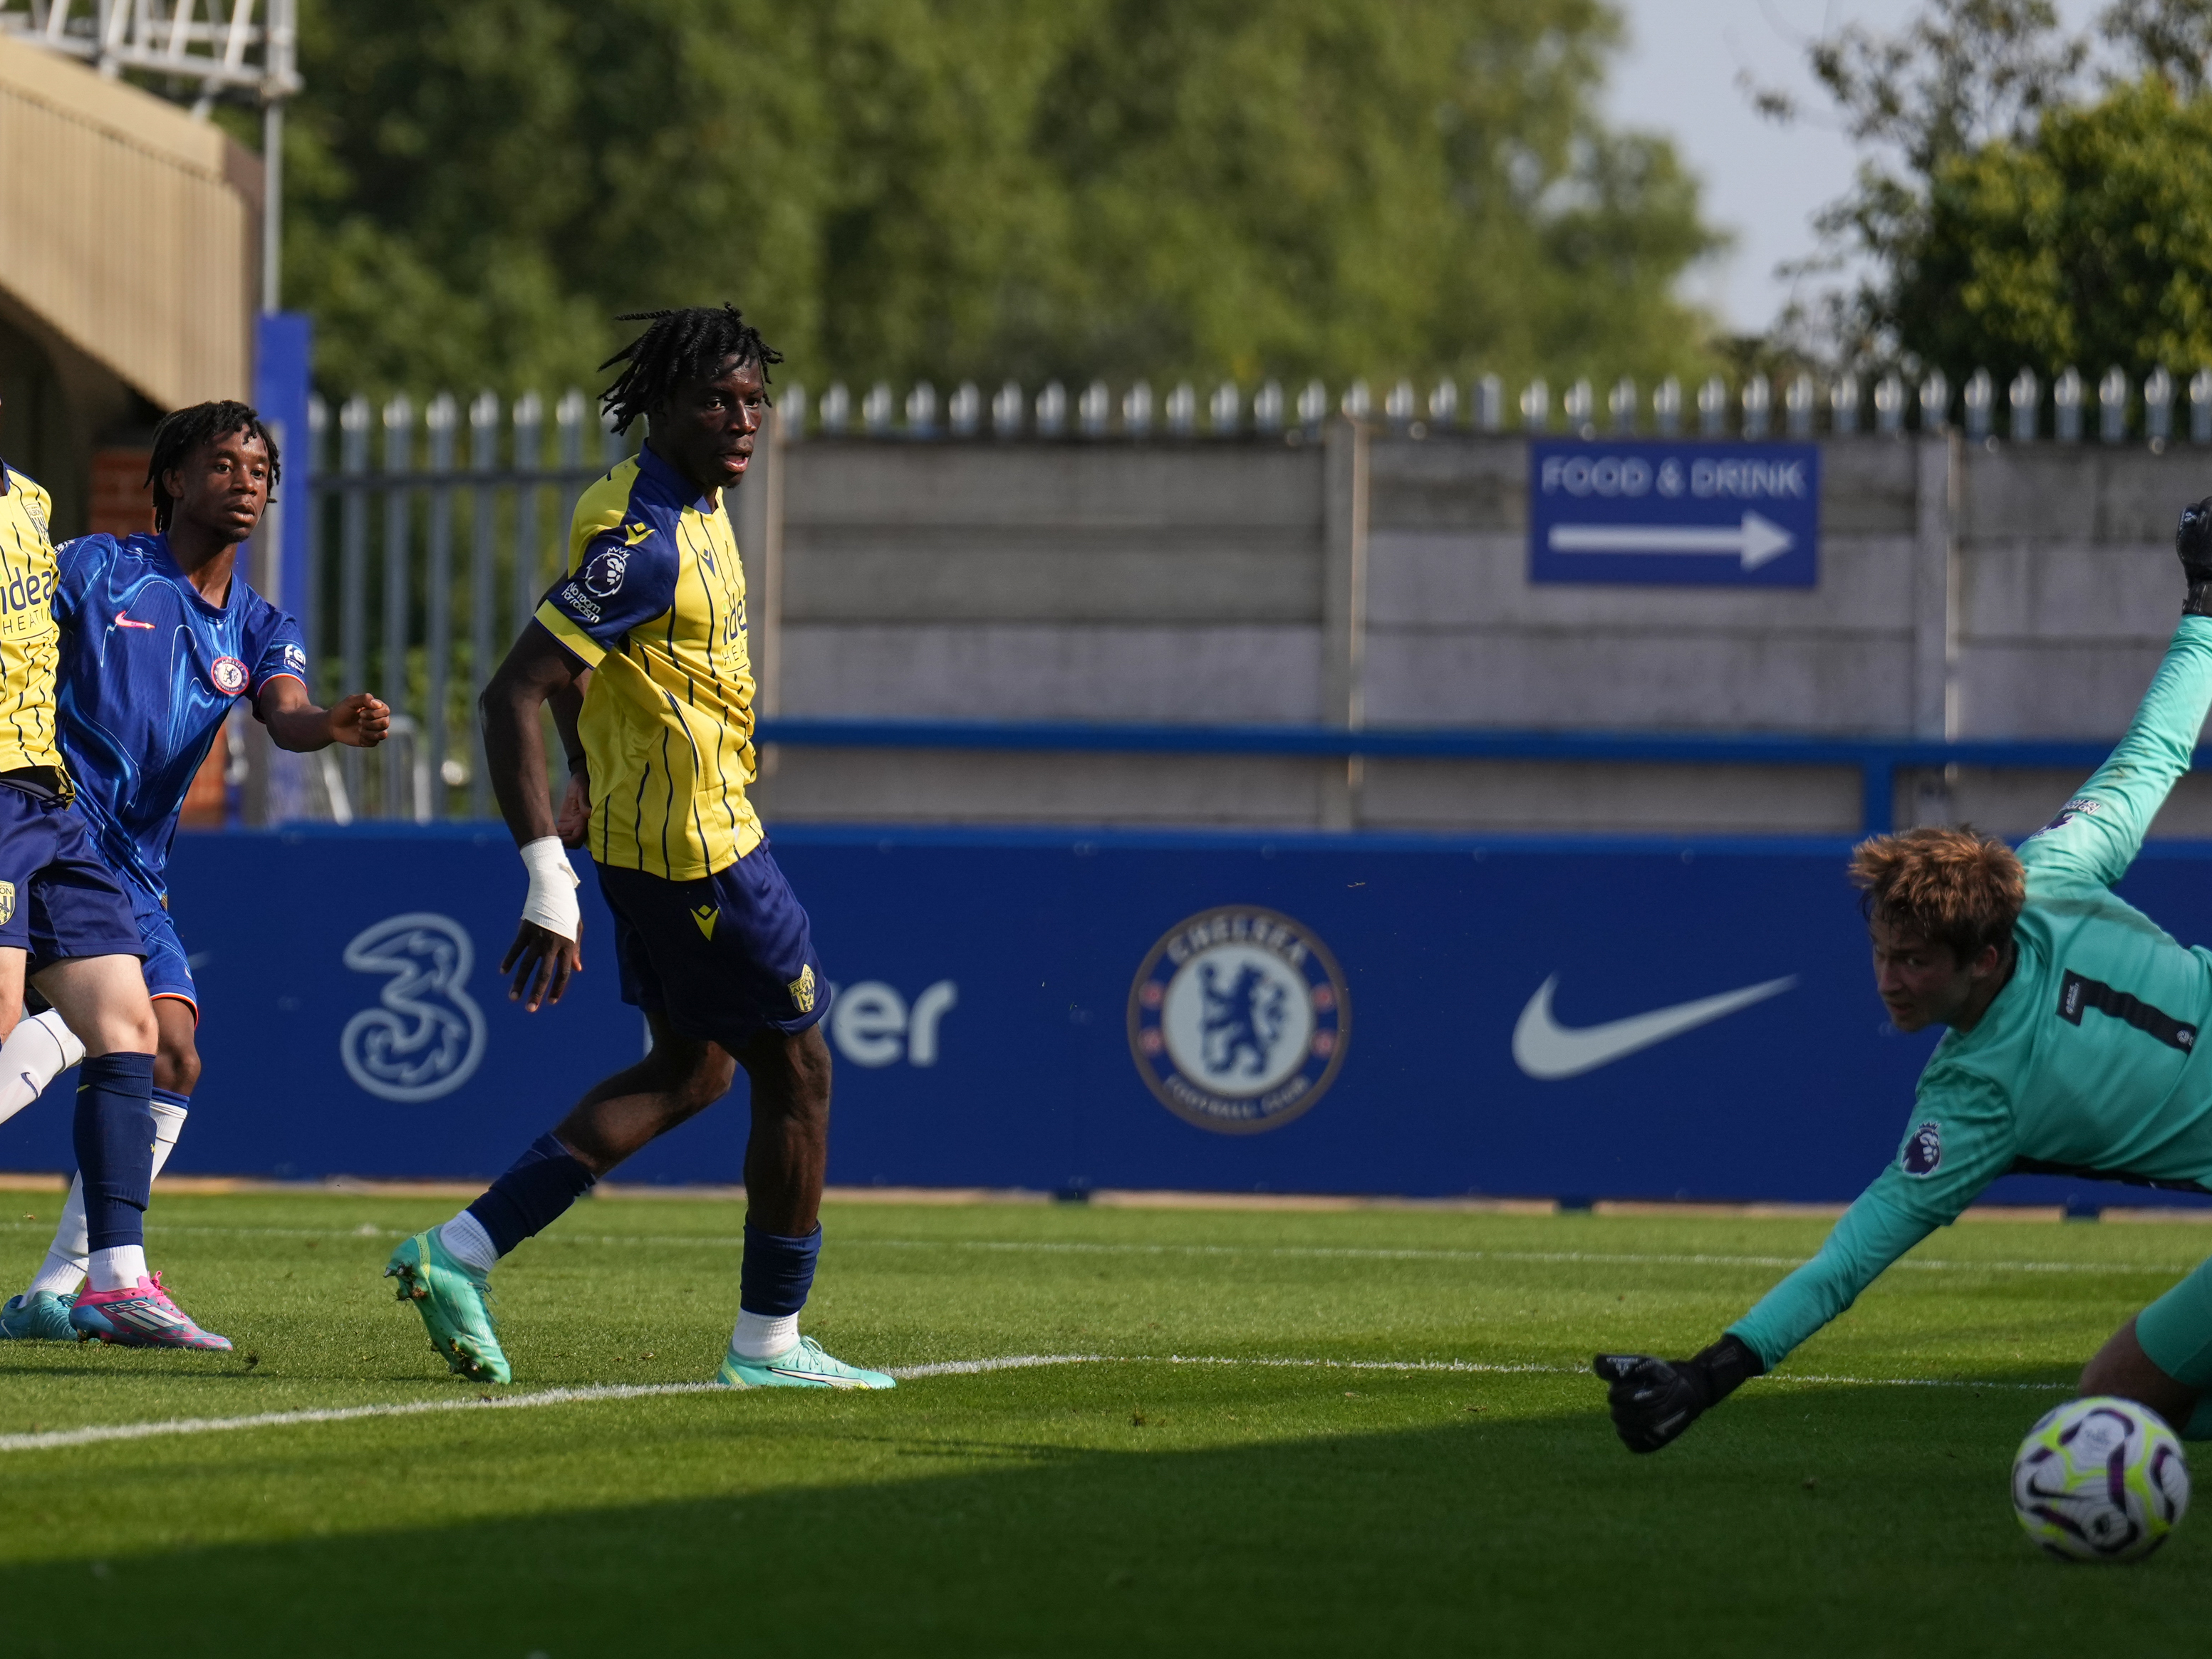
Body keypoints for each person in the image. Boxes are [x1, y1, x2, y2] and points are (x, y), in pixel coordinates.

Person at [1598, 495, 2212, 1453]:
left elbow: (1854, 1256)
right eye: (1882, 952)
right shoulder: (2054, 871)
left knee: (2114, 1401)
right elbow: (2154, 752)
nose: (1888, 980)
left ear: (1986, 957)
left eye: (1915, 961)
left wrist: (1707, 1378)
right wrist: (2207, 606)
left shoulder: (1977, 1097)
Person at [385, 304, 891, 1391]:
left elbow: (585, 675)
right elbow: (513, 688)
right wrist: (545, 878)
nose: (743, 418)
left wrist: (587, 775)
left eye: (754, 399)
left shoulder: (654, 505)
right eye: (717, 399)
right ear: (660, 406)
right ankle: (768, 1345)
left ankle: (458, 1253)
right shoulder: (646, 542)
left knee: (695, 1069)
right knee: (799, 1071)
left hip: (651, 833)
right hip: (700, 847)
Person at [0, 401, 389, 1343]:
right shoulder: (95, 568)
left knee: (168, 1050)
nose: (246, 482)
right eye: (223, 465)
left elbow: (285, 712)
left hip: (132, 867)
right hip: (47, 825)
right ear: (175, 480)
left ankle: (64, 1287)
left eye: (259, 470)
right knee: (98, 1030)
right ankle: (86, 1282)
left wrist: (328, 724)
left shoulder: (258, 625)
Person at [0, 407, 229, 1348]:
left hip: (45, 800)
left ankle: (114, 1282)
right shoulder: (86, 549)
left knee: (132, 1028)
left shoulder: (29, 503)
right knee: (9, 1028)